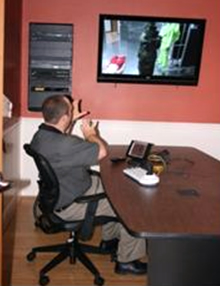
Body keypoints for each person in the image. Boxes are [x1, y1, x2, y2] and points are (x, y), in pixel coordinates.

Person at [30, 94, 147, 275]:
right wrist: (92, 134)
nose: (72, 113)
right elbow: (101, 151)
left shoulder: (41, 135)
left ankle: (109, 241)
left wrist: (72, 120)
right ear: (63, 118)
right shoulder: (65, 145)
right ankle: (127, 261)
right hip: (74, 202)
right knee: (130, 204)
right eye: (70, 111)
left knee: (114, 185)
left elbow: (62, 141)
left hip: (61, 193)